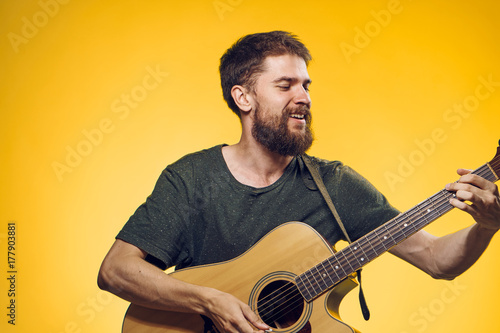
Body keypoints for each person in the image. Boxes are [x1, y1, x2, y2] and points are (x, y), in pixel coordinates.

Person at [98, 31, 500, 333]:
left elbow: (436, 260)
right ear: (243, 98)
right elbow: (115, 271)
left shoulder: (335, 184)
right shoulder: (191, 178)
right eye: (285, 85)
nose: (303, 96)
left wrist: (487, 226)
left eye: (306, 85)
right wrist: (209, 301)